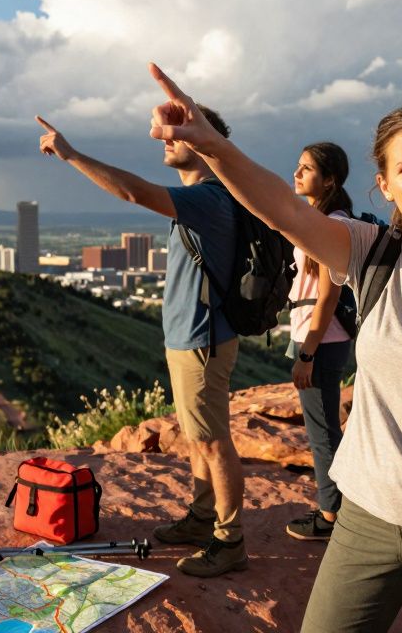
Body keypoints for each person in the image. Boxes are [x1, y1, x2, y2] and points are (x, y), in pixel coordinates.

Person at [144, 63, 402, 632]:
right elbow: (281, 207)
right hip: (365, 514)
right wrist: (211, 144)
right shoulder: (372, 253)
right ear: (386, 185)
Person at [34, 108, 250, 578]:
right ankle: (201, 517)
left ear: (204, 142)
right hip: (189, 336)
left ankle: (230, 540)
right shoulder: (202, 196)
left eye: (176, 135)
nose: (164, 142)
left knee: (213, 442)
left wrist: (70, 155)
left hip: (202, 338)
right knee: (197, 438)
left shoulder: (210, 197)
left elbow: (133, 191)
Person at [285, 141, 355, 542]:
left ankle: (330, 516)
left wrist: (307, 353)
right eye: (298, 165)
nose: (297, 173)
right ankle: (341, 505)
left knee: (322, 429)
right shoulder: (319, 217)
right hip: (319, 335)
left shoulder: (333, 224)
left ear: (328, 180)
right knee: (326, 425)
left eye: (306, 168)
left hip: (321, 338)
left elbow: (328, 296)